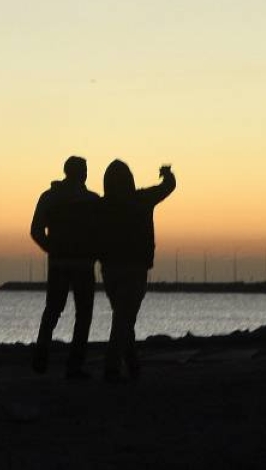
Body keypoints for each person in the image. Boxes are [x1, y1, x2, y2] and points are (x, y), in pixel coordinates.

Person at [98, 161, 176, 382]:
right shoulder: (142, 199)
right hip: (135, 268)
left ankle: (132, 364)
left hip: (110, 269)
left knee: (123, 317)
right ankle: (112, 366)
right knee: (125, 318)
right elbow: (168, 187)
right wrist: (167, 174)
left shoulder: (101, 206)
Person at [30, 156, 101, 379]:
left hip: (60, 263)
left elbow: (36, 230)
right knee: (83, 314)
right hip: (81, 264)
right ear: (82, 173)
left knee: (53, 310)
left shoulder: (49, 197)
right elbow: (103, 231)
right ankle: (73, 366)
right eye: (85, 170)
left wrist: (52, 248)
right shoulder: (92, 201)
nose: (86, 174)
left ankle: (41, 358)